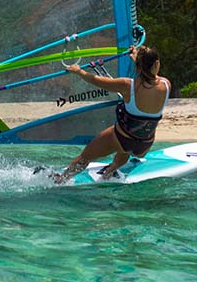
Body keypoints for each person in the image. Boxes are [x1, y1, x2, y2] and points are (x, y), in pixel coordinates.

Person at [54, 45, 171, 183]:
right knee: (125, 150)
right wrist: (137, 59)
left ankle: (60, 180)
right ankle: (110, 171)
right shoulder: (166, 85)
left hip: (122, 139)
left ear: (138, 66)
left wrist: (79, 71)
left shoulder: (127, 86)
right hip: (144, 145)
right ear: (156, 64)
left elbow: (96, 80)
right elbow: (149, 74)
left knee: (85, 158)